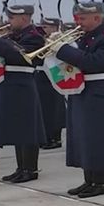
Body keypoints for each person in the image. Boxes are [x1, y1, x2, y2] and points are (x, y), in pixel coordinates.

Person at [55, 0, 104, 198]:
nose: (78, 22)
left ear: (96, 18)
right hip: (82, 92)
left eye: (83, 18)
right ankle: (89, 180)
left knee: (99, 137)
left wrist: (64, 50)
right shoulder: (85, 38)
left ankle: (100, 182)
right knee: (84, 137)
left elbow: (93, 62)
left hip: (100, 93)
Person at [0, 4, 47, 183]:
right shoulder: (13, 36)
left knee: (27, 128)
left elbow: (19, 56)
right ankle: (21, 168)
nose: (9, 21)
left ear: (24, 18)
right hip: (11, 85)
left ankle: (30, 169)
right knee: (18, 129)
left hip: (24, 85)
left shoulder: (35, 37)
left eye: (12, 18)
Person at [36, 16, 67, 150]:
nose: (42, 30)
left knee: (54, 109)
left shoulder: (60, 39)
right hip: (41, 76)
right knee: (43, 109)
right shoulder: (41, 39)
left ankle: (54, 138)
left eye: (45, 27)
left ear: (54, 27)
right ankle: (45, 137)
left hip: (54, 75)